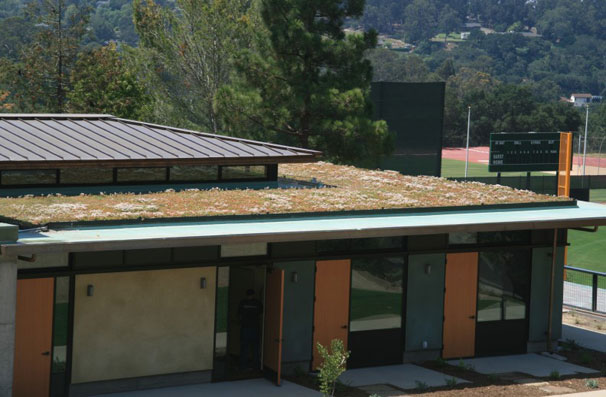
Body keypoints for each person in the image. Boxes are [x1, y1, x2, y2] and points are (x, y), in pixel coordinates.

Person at [238, 288, 263, 370]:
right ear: (253, 295)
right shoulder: (258, 303)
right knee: (255, 347)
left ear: (246, 295)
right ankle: (256, 365)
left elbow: (239, 314)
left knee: (244, 347)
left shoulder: (242, 303)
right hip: (255, 328)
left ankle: (243, 365)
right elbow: (261, 313)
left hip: (245, 328)